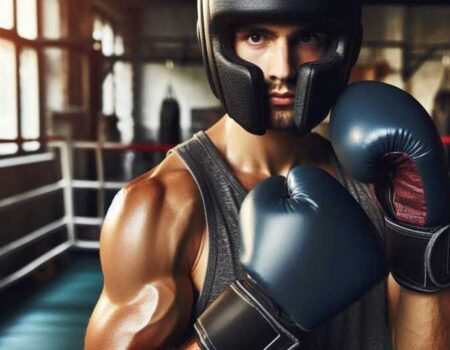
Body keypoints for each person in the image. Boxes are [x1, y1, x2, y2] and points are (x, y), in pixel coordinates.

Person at [85, 0, 450, 349]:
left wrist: (424, 237)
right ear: (219, 44)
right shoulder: (158, 208)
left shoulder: (378, 186)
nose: (282, 69)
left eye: (306, 38)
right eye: (256, 36)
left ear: (339, 45)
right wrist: (261, 315)